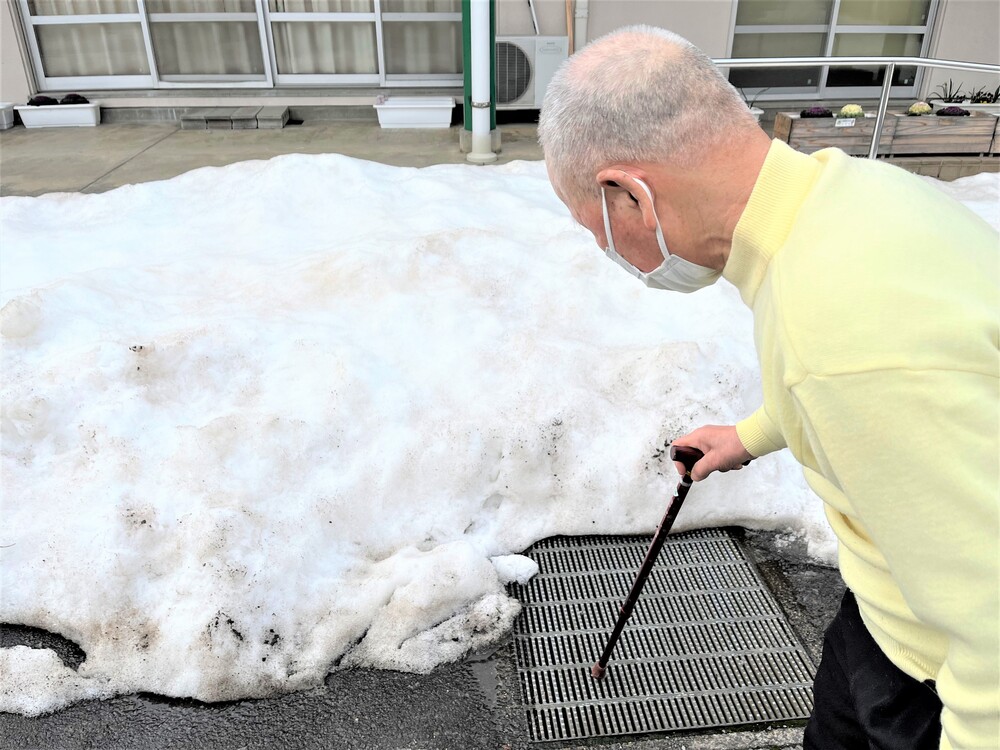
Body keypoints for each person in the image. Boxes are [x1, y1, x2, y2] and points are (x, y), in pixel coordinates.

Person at [538, 25, 998, 750]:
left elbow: (993, 625)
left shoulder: (846, 328)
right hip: (887, 613)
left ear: (627, 193)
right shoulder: (856, 200)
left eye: (593, 227)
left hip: (938, 684)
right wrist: (749, 436)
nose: (605, 249)